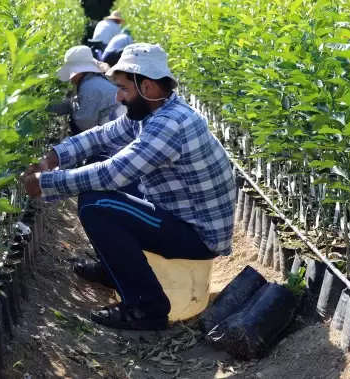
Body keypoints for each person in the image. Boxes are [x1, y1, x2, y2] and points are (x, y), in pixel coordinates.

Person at [21, 43, 236, 331]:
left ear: (146, 86)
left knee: (97, 205)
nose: (118, 97)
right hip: (179, 214)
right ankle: (115, 270)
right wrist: (54, 157)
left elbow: (112, 174)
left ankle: (146, 307)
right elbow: (103, 136)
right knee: (97, 162)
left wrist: (45, 183)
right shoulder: (154, 110)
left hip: (197, 234)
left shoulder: (169, 124)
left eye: (123, 88)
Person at [46, 45, 125, 135]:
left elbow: (85, 123)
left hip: (114, 132)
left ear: (80, 72)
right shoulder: (94, 80)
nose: (70, 78)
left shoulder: (88, 87)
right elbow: (75, 103)